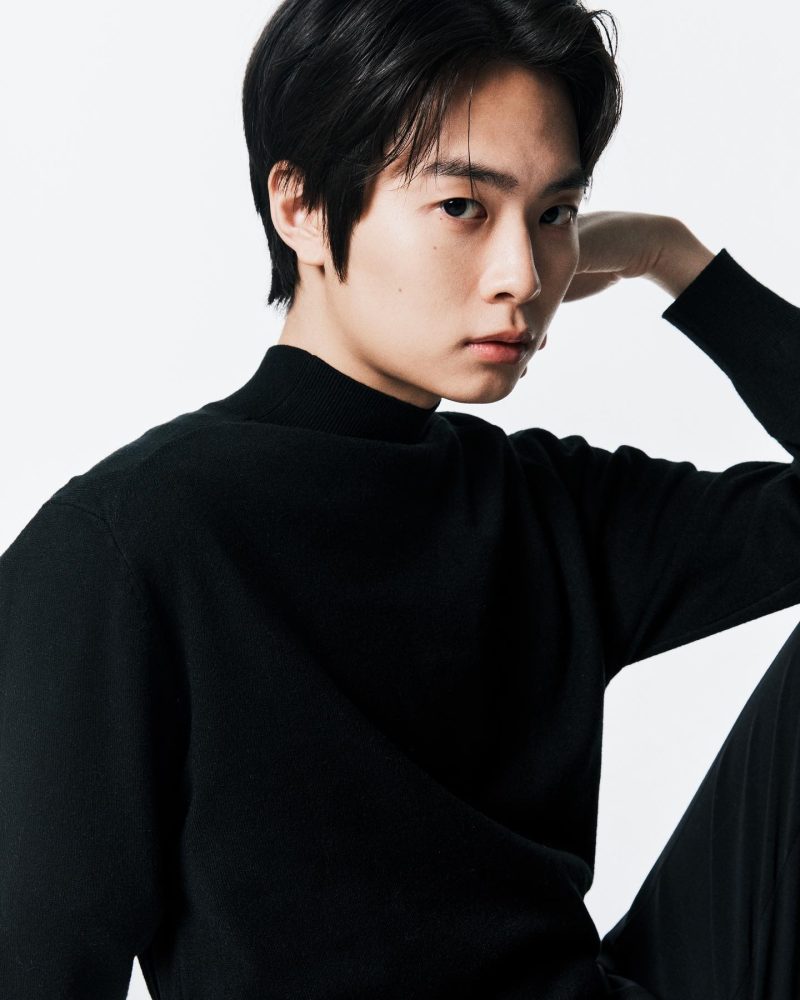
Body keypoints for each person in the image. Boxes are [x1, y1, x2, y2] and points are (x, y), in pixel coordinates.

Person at [1, 1, 799, 997]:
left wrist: (673, 259)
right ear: (300, 206)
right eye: (464, 207)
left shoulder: (546, 504)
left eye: (553, 214)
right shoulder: (124, 547)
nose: (524, 275)